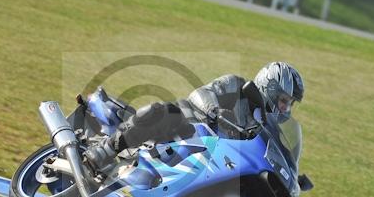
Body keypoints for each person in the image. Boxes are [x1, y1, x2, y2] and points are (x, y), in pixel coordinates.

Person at [84, 61, 305, 170]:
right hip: (190, 128)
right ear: (270, 88)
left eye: (289, 103)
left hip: (213, 157)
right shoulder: (236, 85)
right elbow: (201, 94)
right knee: (165, 111)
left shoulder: (265, 123)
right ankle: (106, 148)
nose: (286, 108)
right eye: (284, 100)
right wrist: (213, 111)